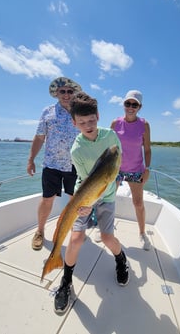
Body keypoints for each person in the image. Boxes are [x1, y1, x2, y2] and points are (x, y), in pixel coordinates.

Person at [54, 91, 129, 315]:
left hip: (106, 196)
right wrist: (85, 205)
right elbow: (87, 181)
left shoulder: (110, 136)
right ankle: (66, 282)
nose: (88, 125)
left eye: (91, 120)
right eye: (82, 122)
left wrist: (110, 186)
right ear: (74, 123)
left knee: (107, 237)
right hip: (85, 194)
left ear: (98, 116)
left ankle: (121, 259)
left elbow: (114, 169)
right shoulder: (76, 149)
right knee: (75, 239)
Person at [27, 77, 82, 250]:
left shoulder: (80, 111)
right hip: (52, 165)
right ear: (56, 93)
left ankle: (76, 228)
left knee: (76, 200)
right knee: (47, 199)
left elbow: (89, 134)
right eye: (62, 91)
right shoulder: (47, 112)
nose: (66, 95)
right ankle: (40, 231)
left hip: (75, 164)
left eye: (69, 91)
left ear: (74, 93)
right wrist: (31, 159)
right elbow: (39, 137)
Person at [110, 90, 152, 250]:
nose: (131, 107)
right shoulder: (115, 123)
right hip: (116, 169)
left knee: (138, 202)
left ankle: (142, 233)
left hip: (136, 169)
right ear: (124, 104)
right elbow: (109, 147)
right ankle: (106, 229)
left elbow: (147, 149)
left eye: (134, 104)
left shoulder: (144, 125)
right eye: (128, 103)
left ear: (139, 107)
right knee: (108, 200)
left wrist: (147, 168)